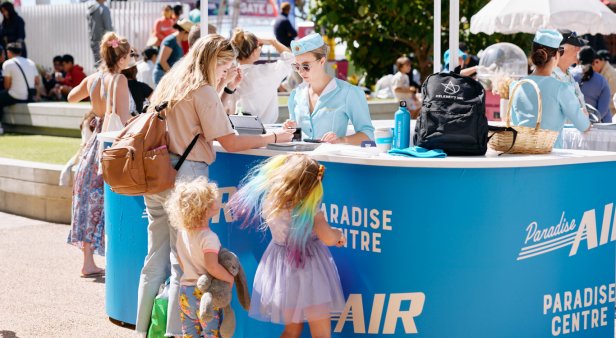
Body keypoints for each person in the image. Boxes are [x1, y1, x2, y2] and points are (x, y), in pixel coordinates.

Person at [134, 34, 294, 337]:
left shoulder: (172, 81)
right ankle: (173, 333)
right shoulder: (202, 90)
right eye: (224, 66)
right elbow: (231, 142)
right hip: (187, 178)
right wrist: (275, 138)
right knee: (183, 262)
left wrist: (222, 86)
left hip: (157, 176)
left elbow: (197, 119)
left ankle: (141, 331)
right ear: (213, 60)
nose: (226, 71)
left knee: (154, 258)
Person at [228, 153, 345, 337]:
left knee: (291, 330)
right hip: (311, 272)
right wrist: (339, 234)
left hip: (283, 273)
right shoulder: (312, 210)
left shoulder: (271, 202)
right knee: (321, 333)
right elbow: (328, 238)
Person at [65, 32, 132, 277]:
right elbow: (123, 120)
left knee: (89, 200)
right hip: (110, 145)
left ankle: (88, 261)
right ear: (122, 57)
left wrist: (96, 109)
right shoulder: (120, 80)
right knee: (109, 200)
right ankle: (115, 259)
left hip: (92, 143)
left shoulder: (93, 79)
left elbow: (71, 97)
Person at [166, 177, 231, 337]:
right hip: (204, 294)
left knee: (189, 333)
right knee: (211, 332)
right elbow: (212, 266)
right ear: (205, 208)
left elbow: (181, 262)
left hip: (185, 291)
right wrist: (229, 278)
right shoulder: (209, 237)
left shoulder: (183, 233)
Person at [283, 33, 374, 144]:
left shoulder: (349, 92)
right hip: (302, 160)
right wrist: (291, 131)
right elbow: (296, 138)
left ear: (322, 61)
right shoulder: (295, 95)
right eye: (297, 66)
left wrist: (341, 140)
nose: (301, 71)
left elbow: (369, 136)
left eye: (306, 66)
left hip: (331, 160)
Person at [510, 29, 590, 149]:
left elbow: (515, 123)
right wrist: (583, 117)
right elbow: (583, 125)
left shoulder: (517, 86)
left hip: (523, 154)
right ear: (557, 55)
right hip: (551, 156)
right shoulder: (560, 87)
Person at [230, 28, 293, 123]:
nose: (260, 48)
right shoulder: (267, 72)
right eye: (259, 46)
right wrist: (273, 42)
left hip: (238, 128)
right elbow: (291, 59)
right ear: (254, 51)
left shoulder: (230, 75)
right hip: (267, 130)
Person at [0, 42, 39, 134]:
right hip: (29, 96)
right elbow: (37, 82)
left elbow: (7, 86)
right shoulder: (31, 62)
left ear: (8, 52)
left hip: (16, 96)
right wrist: (37, 96)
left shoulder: (8, 63)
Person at [552, 29, 588, 116]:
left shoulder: (568, 74)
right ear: (560, 50)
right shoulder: (549, 78)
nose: (578, 49)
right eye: (574, 46)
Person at [574, 47, 611, 123]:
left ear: (577, 60)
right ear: (594, 62)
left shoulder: (569, 76)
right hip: (599, 126)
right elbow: (603, 110)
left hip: (574, 124)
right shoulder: (602, 81)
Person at [153, 18, 193, 85]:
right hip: (162, 75)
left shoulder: (179, 41)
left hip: (169, 75)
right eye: (189, 34)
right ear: (184, 32)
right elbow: (162, 61)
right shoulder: (170, 40)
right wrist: (173, 75)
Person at [87, 0, 113, 66]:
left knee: (98, 65)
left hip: (94, 42)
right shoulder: (103, 9)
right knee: (107, 65)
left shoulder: (90, 9)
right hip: (104, 42)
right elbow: (108, 28)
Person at [592, 49, 616, 116]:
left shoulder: (611, 75)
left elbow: (613, 98)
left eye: (592, 66)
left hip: (610, 114)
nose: (592, 69)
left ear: (597, 62)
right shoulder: (602, 72)